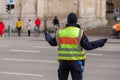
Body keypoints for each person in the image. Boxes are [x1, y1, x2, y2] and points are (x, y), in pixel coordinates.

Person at [45, 12, 108, 80]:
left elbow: (52, 43)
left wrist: (47, 36)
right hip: (76, 63)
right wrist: (100, 42)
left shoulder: (60, 32)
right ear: (76, 21)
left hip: (63, 63)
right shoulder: (79, 32)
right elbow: (88, 46)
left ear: (68, 21)